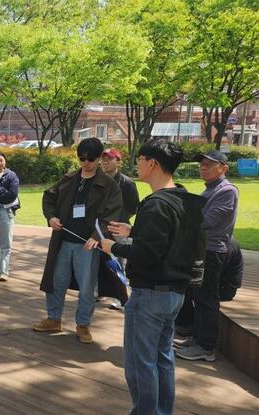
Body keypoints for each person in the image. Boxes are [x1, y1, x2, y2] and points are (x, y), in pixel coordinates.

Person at [99, 139, 206, 415]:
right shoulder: (183, 198)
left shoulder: (156, 204)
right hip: (174, 294)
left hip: (150, 295)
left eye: (141, 159)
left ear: (153, 163)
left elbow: (148, 254)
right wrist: (133, 231)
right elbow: (174, 240)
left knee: (139, 364)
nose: (138, 164)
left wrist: (113, 246)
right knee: (162, 358)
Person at [33, 137, 123, 344]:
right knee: (56, 281)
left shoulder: (108, 185)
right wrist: (51, 217)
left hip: (88, 244)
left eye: (91, 159)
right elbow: (49, 197)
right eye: (81, 158)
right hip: (63, 240)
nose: (86, 163)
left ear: (99, 158)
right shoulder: (70, 178)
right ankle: (54, 318)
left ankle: (83, 324)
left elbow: (112, 214)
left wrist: (96, 236)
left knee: (87, 286)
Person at [174, 150, 239, 362]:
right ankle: (196, 339)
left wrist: (181, 220)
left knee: (207, 299)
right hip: (201, 249)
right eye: (202, 164)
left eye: (210, 164)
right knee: (197, 297)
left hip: (212, 251)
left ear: (223, 168)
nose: (203, 167)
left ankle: (206, 347)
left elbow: (205, 221)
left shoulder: (226, 190)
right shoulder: (210, 190)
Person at [99, 147, 139, 310]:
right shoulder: (99, 180)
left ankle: (121, 296)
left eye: (110, 158)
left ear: (118, 161)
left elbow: (133, 207)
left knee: (119, 261)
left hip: (118, 228)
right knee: (101, 259)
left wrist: (120, 219)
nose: (106, 162)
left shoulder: (127, 183)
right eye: (104, 159)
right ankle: (101, 290)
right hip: (100, 226)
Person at [0, 151, 20, 282]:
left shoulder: (11, 175)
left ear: (5, 161)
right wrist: (1, 193)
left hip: (7, 212)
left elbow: (12, 194)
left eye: (1, 160)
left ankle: (3, 271)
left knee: (6, 243)